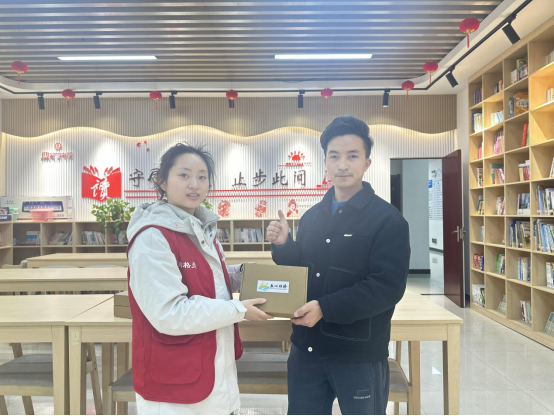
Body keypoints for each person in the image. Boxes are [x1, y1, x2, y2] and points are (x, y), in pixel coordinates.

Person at [267, 116, 411, 415]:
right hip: (307, 350)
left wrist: (325, 307)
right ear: (325, 162)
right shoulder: (311, 217)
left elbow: (386, 287)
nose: (342, 165)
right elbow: (302, 272)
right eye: (334, 156)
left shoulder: (388, 220)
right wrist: (284, 245)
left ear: (367, 162)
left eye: (352, 156)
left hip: (358, 354)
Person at [126, 143, 273, 415]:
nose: (194, 184)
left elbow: (207, 281)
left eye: (202, 176)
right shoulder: (152, 237)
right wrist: (239, 309)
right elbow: (169, 312)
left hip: (211, 372)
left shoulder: (200, 227)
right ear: (162, 181)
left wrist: (242, 274)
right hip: (174, 387)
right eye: (184, 175)